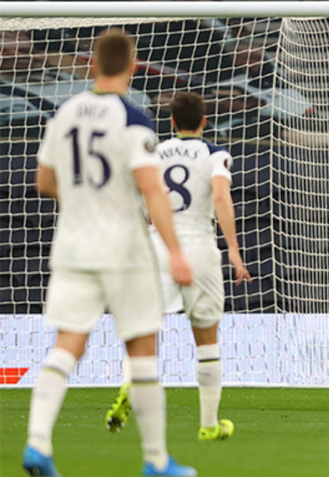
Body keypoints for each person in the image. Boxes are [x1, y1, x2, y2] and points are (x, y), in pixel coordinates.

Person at [22, 30, 196, 476]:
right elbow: (150, 188)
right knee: (140, 350)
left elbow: (44, 182)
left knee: (66, 345)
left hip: (73, 244)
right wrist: (175, 251)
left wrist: (83, 200)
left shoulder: (64, 113)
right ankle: (156, 460)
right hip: (123, 248)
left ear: (93, 64)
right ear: (133, 66)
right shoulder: (133, 118)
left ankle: (37, 443)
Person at [105, 92, 252, 441]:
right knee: (207, 339)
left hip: (157, 245)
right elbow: (220, 195)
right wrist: (233, 249)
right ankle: (208, 424)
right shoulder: (214, 153)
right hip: (199, 246)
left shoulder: (153, 152)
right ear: (204, 121)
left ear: (171, 122)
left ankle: (131, 381)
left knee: (144, 330)